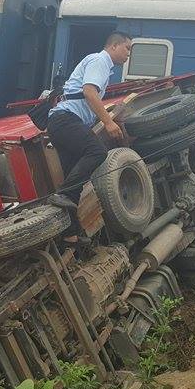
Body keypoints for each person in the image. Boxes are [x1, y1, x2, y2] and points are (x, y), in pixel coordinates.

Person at [46, 32, 131, 244]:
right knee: (97, 152)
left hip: (61, 122)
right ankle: (63, 194)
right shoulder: (100, 60)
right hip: (65, 120)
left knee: (73, 183)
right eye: (127, 48)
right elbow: (89, 92)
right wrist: (109, 123)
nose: (129, 54)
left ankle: (70, 237)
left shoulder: (100, 63)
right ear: (113, 46)